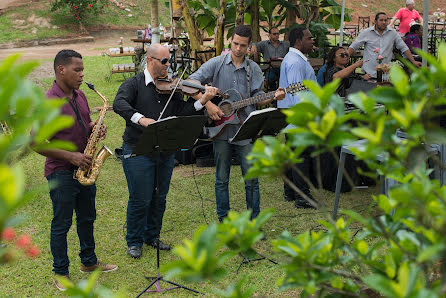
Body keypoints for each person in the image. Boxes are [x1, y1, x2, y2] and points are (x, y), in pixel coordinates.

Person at [113, 44, 217, 259]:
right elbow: (119, 104)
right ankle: (134, 241)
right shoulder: (133, 84)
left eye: (169, 61)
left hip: (165, 150)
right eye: (164, 61)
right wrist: (140, 119)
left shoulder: (173, 87)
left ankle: (152, 236)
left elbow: (183, 112)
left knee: (160, 196)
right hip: (138, 149)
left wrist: (204, 101)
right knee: (140, 197)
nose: (169, 65)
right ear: (150, 60)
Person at [37, 49, 117, 291]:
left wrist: (94, 128)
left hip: (85, 168)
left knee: (87, 217)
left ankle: (89, 262)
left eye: (83, 70)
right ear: (61, 70)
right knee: (61, 223)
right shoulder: (48, 102)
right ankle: (60, 273)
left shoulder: (80, 95)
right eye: (77, 70)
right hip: (60, 171)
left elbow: (82, 123)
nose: (82, 74)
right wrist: (71, 156)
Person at [189, 25, 285, 222]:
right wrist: (207, 105)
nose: (238, 49)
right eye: (235, 44)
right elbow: (189, 83)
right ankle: (224, 219)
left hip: (245, 129)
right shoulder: (215, 64)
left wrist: (273, 97)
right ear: (229, 41)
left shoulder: (254, 68)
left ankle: (253, 222)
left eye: (243, 45)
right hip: (220, 129)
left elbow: (257, 97)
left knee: (251, 179)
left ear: (249, 46)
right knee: (221, 178)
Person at [278, 26, 318, 209]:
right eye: (310, 38)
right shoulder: (295, 62)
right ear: (298, 41)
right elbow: (296, 93)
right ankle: (302, 197)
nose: (313, 41)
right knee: (301, 156)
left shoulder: (296, 59)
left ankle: (291, 192)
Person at [348, 12, 422, 78]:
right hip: (369, 73)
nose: (384, 22)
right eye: (381, 20)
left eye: (385, 20)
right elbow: (354, 46)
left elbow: (403, 47)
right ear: (375, 21)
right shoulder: (366, 32)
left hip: (385, 73)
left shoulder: (392, 33)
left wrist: (413, 61)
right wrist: (343, 60)